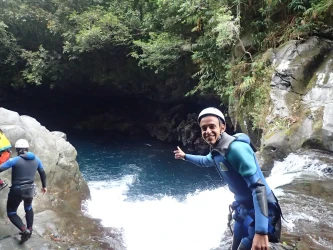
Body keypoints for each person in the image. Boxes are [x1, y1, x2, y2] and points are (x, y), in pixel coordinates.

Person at [174, 107, 282, 250]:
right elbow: (204, 161)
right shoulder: (217, 151)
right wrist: (185, 156)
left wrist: (261, 231)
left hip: (264, 210)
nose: (207, 131)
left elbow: (258, 187)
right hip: (244, 208)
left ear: (222, 127)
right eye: (203, 128)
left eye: (212, 126)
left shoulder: (236, 150)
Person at [0, 139, 47, 244]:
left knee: (11, 212)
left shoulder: (14, 160)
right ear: (27, 148)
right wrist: (44, 186)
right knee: (28, 208)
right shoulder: (37, 160)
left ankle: (23, 229)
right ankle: (30, 230)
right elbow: (43, 173)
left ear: (17, 149)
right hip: (30, 189)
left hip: (17, 190)